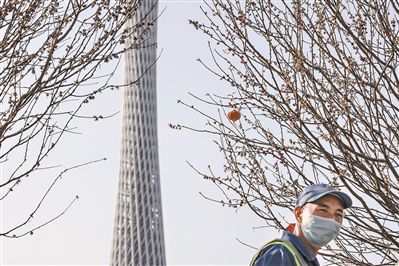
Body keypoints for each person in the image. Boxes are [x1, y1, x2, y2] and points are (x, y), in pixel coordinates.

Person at [250, 183, 352, 266]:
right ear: (299, 214)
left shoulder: (305, 261)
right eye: (323, 210)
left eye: (338, 214)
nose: (331, 219)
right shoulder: (280, 254)